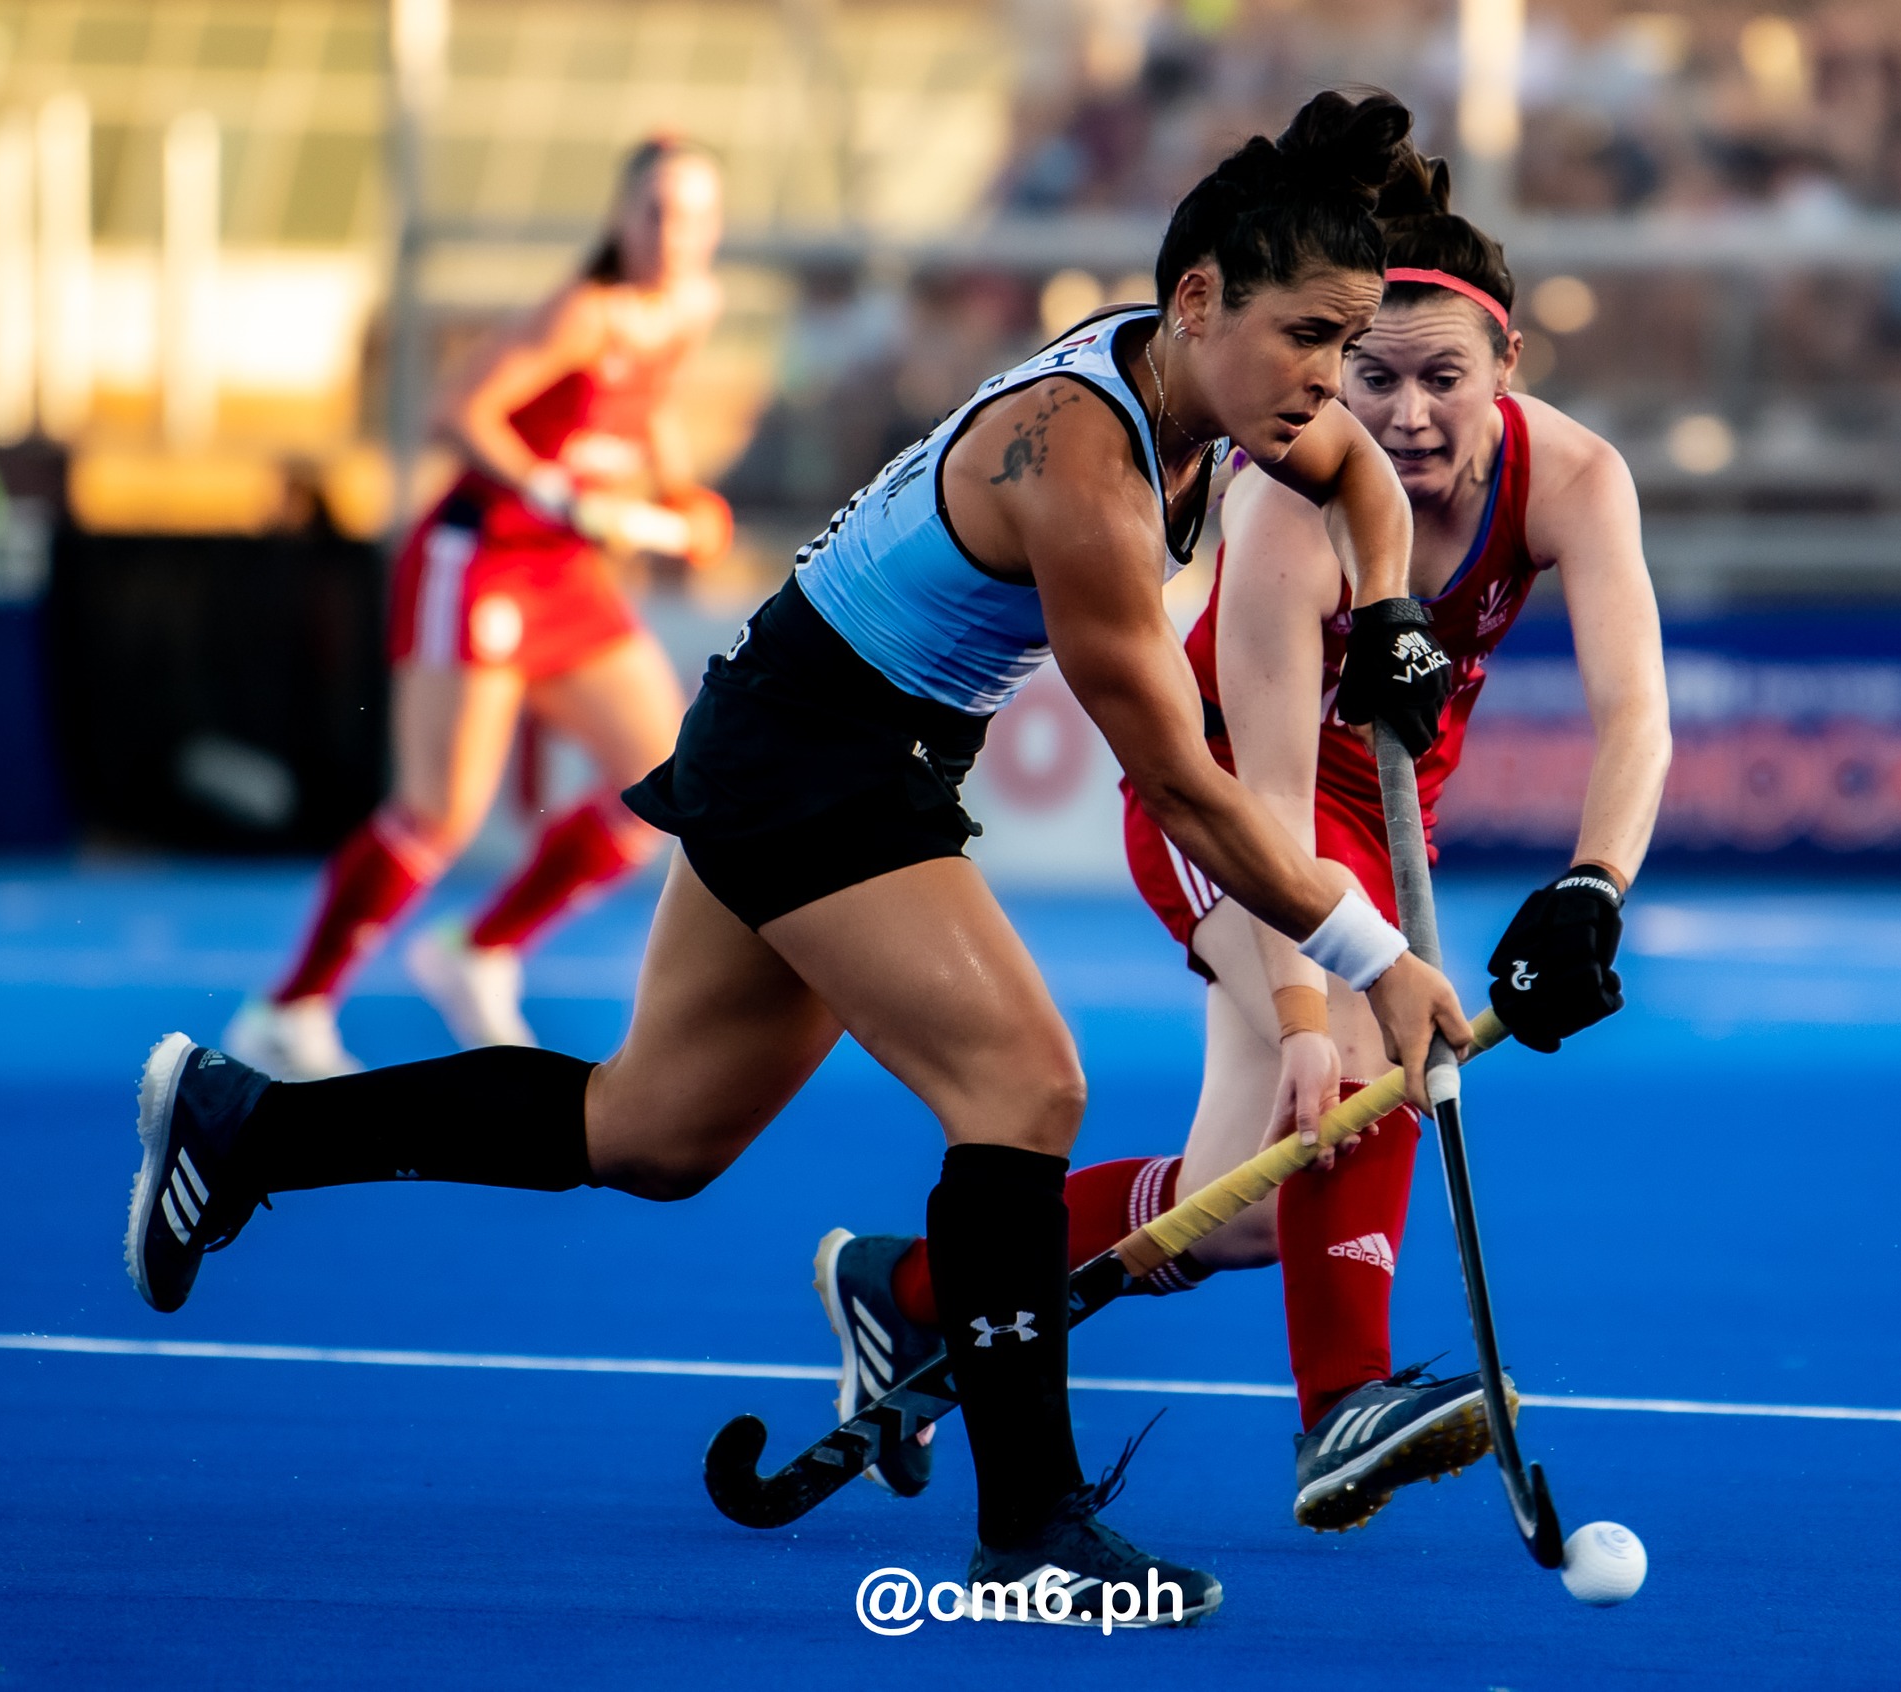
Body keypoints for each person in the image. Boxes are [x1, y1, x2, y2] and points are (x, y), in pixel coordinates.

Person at [125, 92, 1476, 1625]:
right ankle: (1032, 1526)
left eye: (1348, 339)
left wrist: (1389, 615)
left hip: (806, 729)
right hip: (823, 760)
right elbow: (1179, 777)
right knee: (1025, 1085)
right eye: (1312, 336)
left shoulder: (1215, 391)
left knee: (653, 1132)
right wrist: (1377, 955)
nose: (1332, 380)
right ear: (1197, 302)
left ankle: (247, 1129)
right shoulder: (1081, 471)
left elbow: (1364, 476)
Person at [817, 150, 1672, 1536]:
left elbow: (1637, 714)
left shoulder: (1577, 478)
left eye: (1443, 378)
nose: (1401, 414)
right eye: (1370, 377)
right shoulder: (1287, 500)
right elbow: (1270, 802)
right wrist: (1303, 1013)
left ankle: (907, 1291)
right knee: (1366, 1042)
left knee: (1242, 1217)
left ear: (1506, 364)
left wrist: (1594, 883)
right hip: (1219, 804)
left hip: (1380, 835)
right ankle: (1343, 1405)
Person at [224, 136, 734, 1078]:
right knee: (437, 813)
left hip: (564, 571)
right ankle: (288, 1011)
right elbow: (457, 410)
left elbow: (645, 409)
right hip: (484, 558)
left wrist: (678, 491)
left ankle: (481, 950)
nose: (674, 234)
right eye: (656, 211)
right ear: (620, 221)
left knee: (665, 773)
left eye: (694, 216)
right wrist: (552, 491)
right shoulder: (585, 312)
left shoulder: (690, 308)